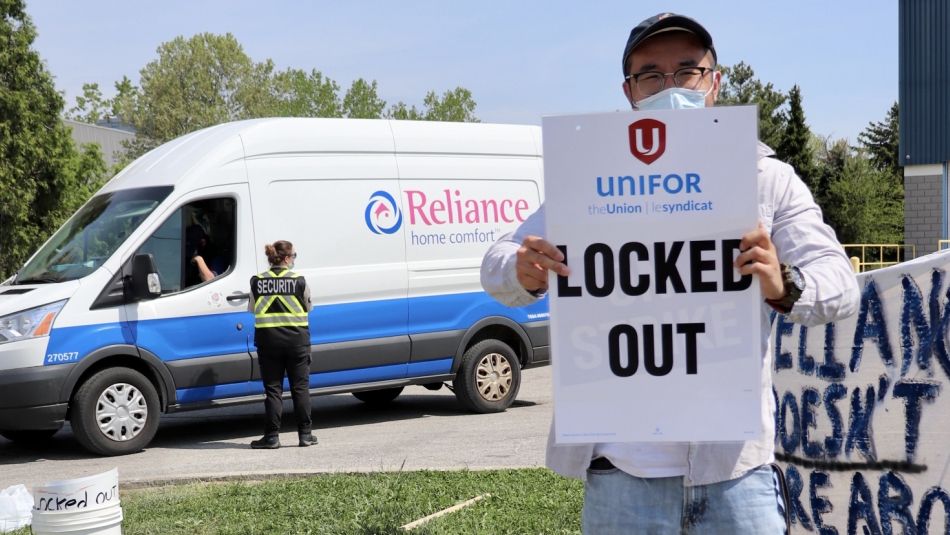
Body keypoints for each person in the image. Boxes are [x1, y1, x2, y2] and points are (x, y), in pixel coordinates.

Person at [480, 12, 860, 534]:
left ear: (715, 81)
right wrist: (523, 269)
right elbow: (495, 267)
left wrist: (784, 282)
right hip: (622, 476)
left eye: (687, 72)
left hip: (735, 473)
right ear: (630, 91)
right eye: (652, 76)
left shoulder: (767, 179)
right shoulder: (588, 178)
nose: (671, 87)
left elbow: (839, 284)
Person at [249, 240, 317, 449]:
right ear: (287, 258)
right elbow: (308, 308)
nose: (294, 259)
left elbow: (252, 309)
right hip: (297, 342)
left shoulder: (257, 281)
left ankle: (271, 437)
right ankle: (305, 435)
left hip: (268, 342)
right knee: (300, 388)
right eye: (294, 256)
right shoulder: (300, 281)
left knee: (273, 390)